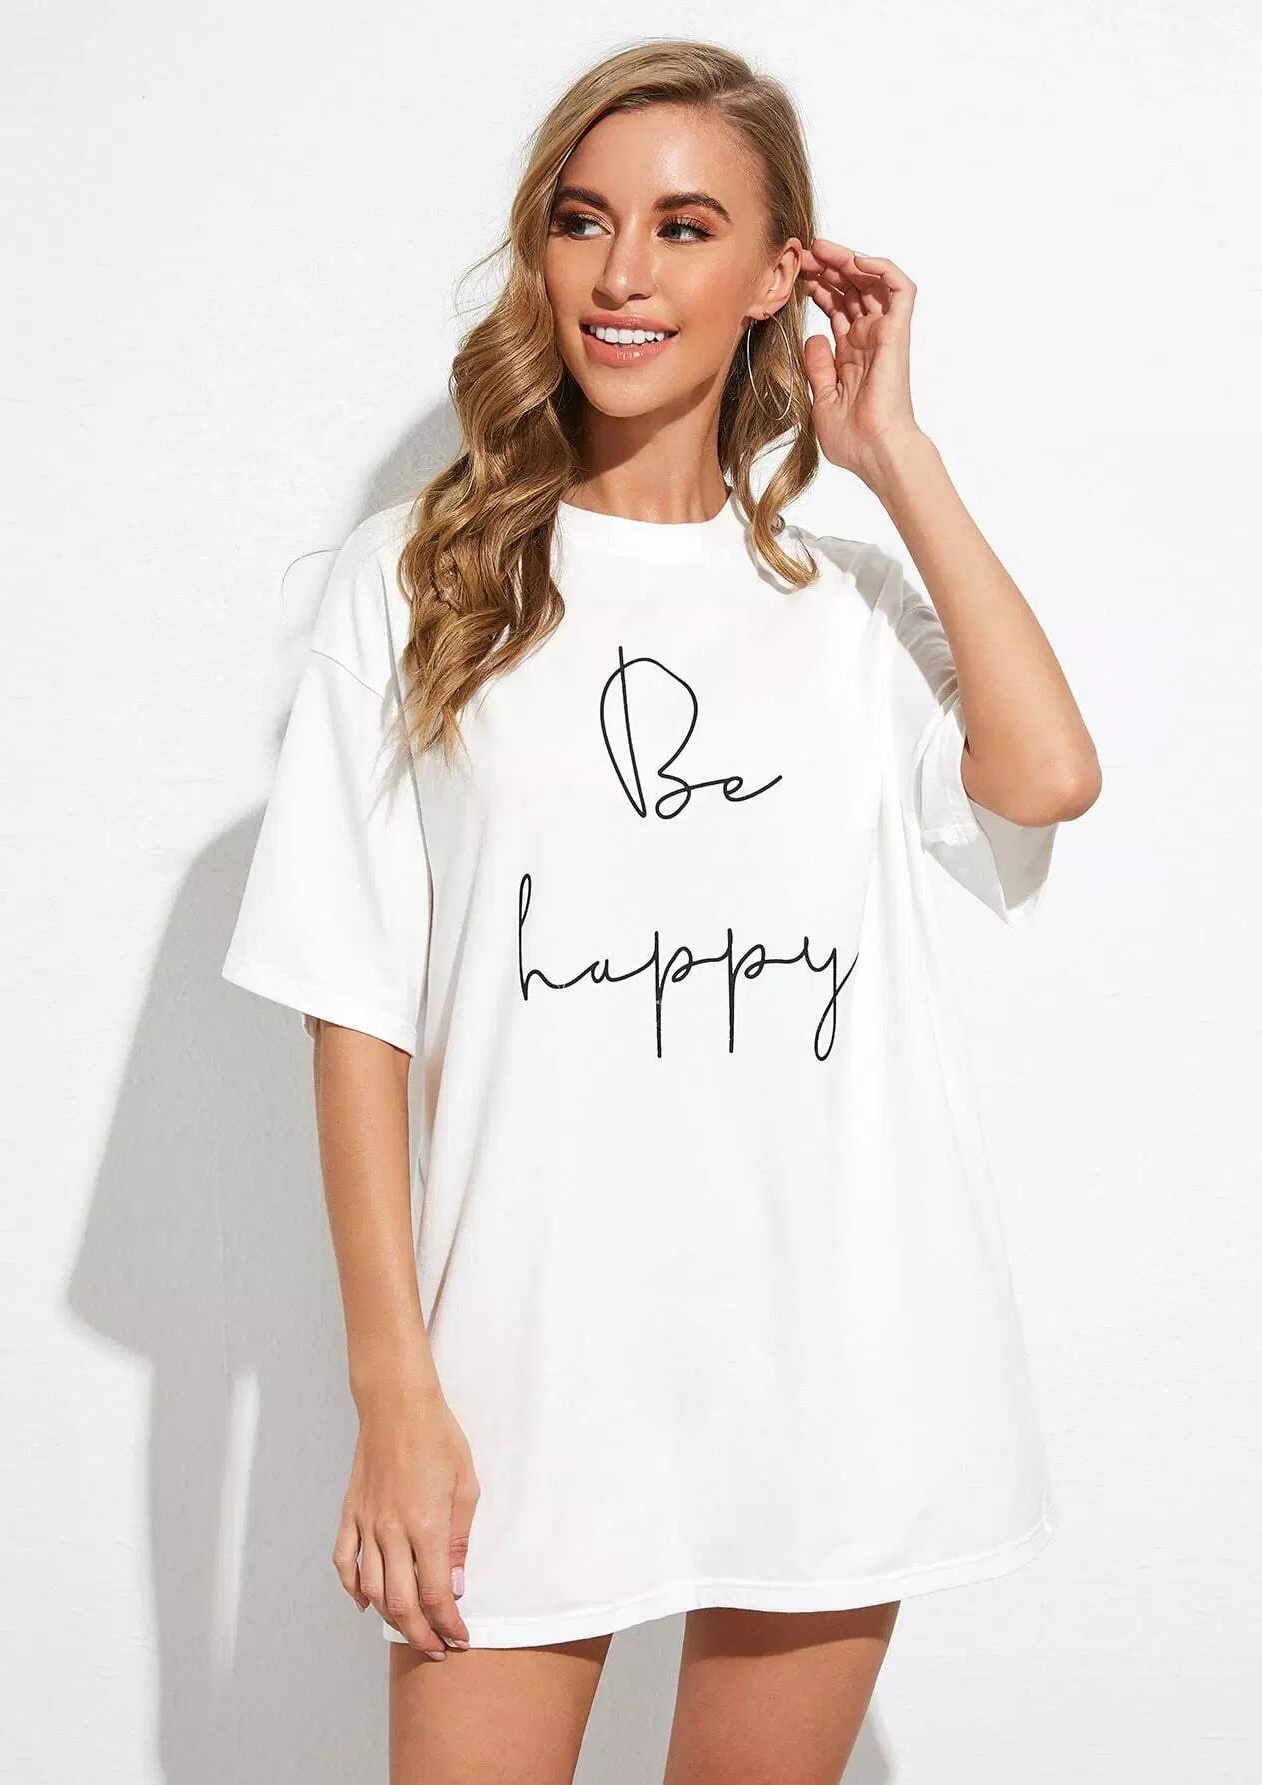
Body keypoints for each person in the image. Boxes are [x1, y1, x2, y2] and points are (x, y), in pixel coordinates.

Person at [220, 37, 1101, 1785]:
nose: (622, 273)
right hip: (526, 1366)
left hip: (831, 1360)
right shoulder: (424, 582)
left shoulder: (847, 605)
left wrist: (893, 452)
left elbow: (1048, 775)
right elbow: (353, 1006)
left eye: (686, 228)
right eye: (583, 220)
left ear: (780, 275)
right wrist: (394, 1389)